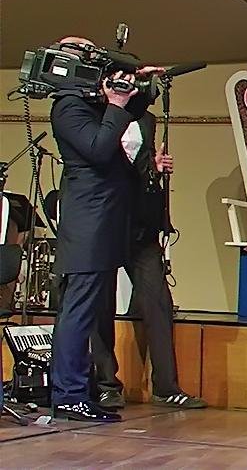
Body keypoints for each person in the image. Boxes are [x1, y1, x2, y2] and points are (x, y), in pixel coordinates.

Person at [48, 36, 163, 421]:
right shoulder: (68, 106)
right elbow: (99, 149)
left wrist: (140, 85)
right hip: (89, 221)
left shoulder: (91, 102)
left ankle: (78, 391)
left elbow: (127, 115)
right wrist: (114, 104)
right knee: (79, 311)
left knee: (89, 308)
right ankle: (68, 395)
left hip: (106, 218)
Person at [90, 109, 207, 410]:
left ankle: (166, 387)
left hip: (141, 223)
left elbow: (141, 161)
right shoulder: (94, 115)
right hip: (104, 220)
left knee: (158, 300)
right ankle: (106, 385)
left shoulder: (146, 119)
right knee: (101, 302)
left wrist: (154, 167)